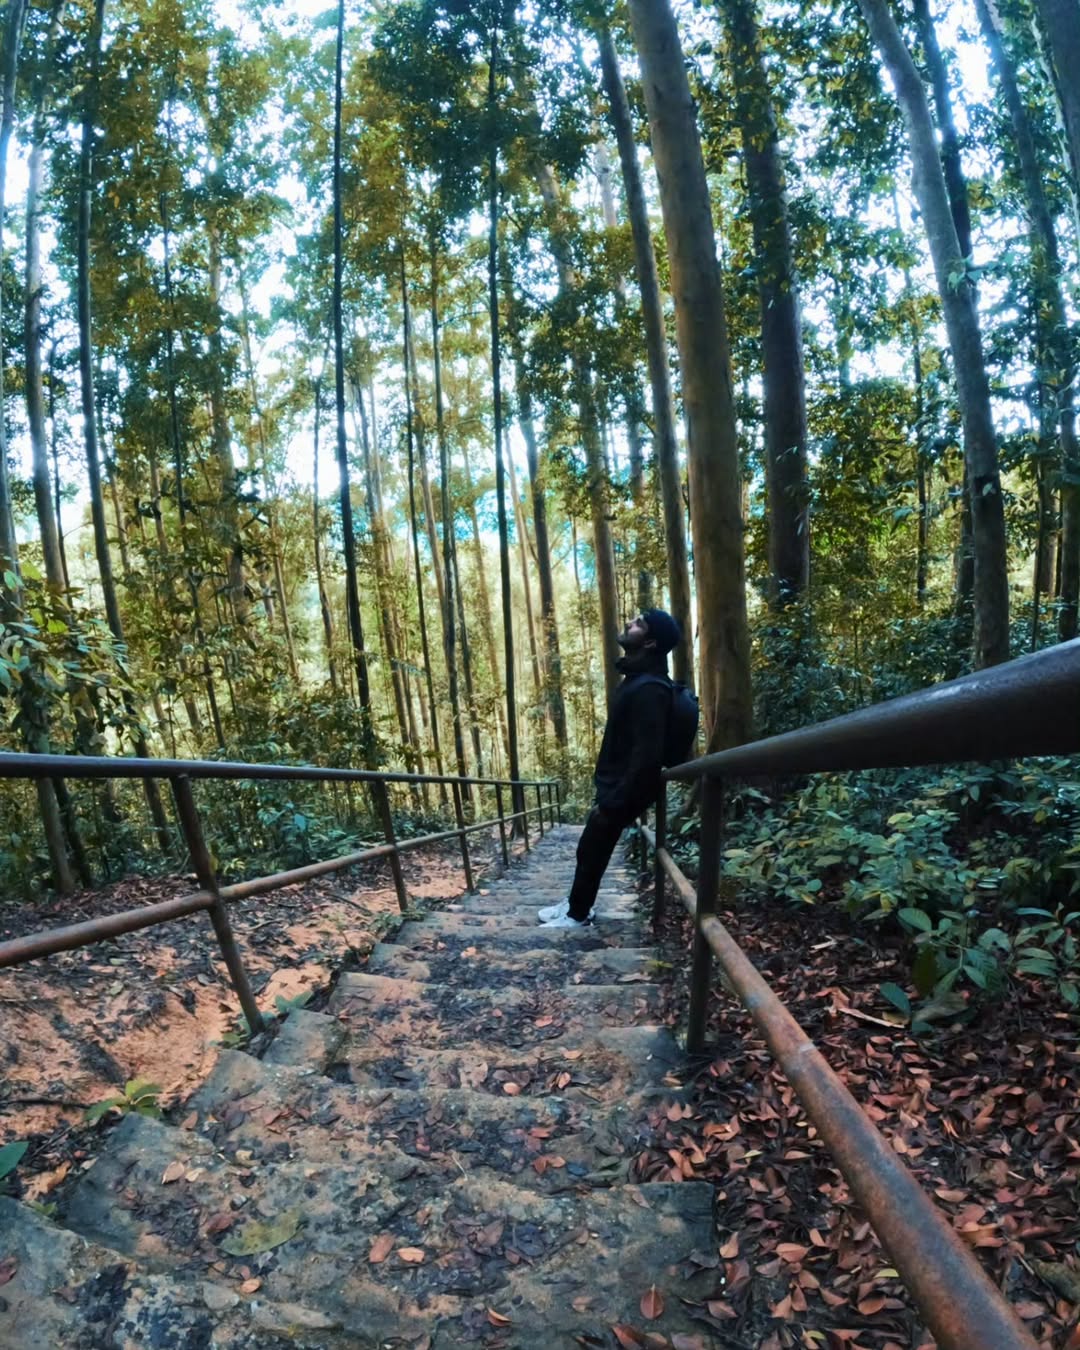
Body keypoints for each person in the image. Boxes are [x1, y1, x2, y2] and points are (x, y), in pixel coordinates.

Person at [538, 607, 683, 928]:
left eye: (639, 623)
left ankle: (578, 914)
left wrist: (617, 799)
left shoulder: (651, 689)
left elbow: (647, 754)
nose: (630, 622)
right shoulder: (639, 679)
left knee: (593, 847)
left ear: (649, 643)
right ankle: (577, 904)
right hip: (617, 785)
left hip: (625, 789)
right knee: (591, 847)